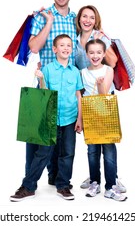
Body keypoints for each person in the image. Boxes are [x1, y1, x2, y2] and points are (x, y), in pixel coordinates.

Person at [26, 0, 77, 187]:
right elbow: (34, 47)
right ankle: (29, 182)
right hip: (46, 84)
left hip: (69, 86)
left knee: (64, 136)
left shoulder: (75, 19)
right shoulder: (42, 17)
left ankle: (56, 178)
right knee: (40, 137)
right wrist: (49, 22)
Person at [75, 5, 126, 193]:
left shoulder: (100, 36)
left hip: (103, 91)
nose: (87, 20)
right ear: (79, 19)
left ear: (96, 20)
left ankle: (112, 179)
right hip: (87, 94)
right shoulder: (75, 38)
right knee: (93, 145)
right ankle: (95, 177)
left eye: (91, 17)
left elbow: (112, 62)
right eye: (84, 16)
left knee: (108, 142)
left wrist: (101, 39)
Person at [35, 34, 83, 200]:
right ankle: (28, 185)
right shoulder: (47, 69)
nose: (65, 48)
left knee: (68, 152)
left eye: (68, 45)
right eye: (62, 45)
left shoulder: (75, 72)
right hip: (51, 118)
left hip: (70, 118)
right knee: (43, 153)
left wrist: (79, 119)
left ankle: (63, 185)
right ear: (55, 49)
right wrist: (41, 79)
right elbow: (44, 94)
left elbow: (78, 95)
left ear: (72, 49)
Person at [81, 39, 127, 201]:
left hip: (106, 114)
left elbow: (103, 95)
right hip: (89, 115)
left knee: (108, 151)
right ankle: (95, 182)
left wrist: (100, 85)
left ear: (103, 54)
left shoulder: (108, 70)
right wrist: (80, 119)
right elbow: (80, 96)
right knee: (92, 151)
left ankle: (111, 186)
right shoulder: (83, 72)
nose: (95, 56)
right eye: (91, 52)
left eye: (99, 52)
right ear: (86, 54)